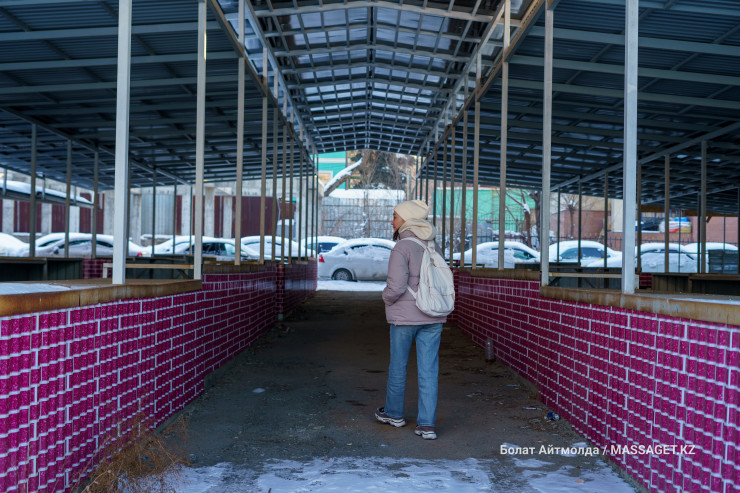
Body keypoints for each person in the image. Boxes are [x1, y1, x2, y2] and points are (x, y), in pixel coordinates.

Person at [375, 199, 446, 440]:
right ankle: (427, 425)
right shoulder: (431, 246)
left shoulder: (402, 247)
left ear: (406, 220)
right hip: (433, 316)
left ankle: (394, 413)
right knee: (429, 371)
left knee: (398, 367)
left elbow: (395, 287)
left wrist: (385, 298)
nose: (391, 221)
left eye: (395, 216)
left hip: (404, 319)